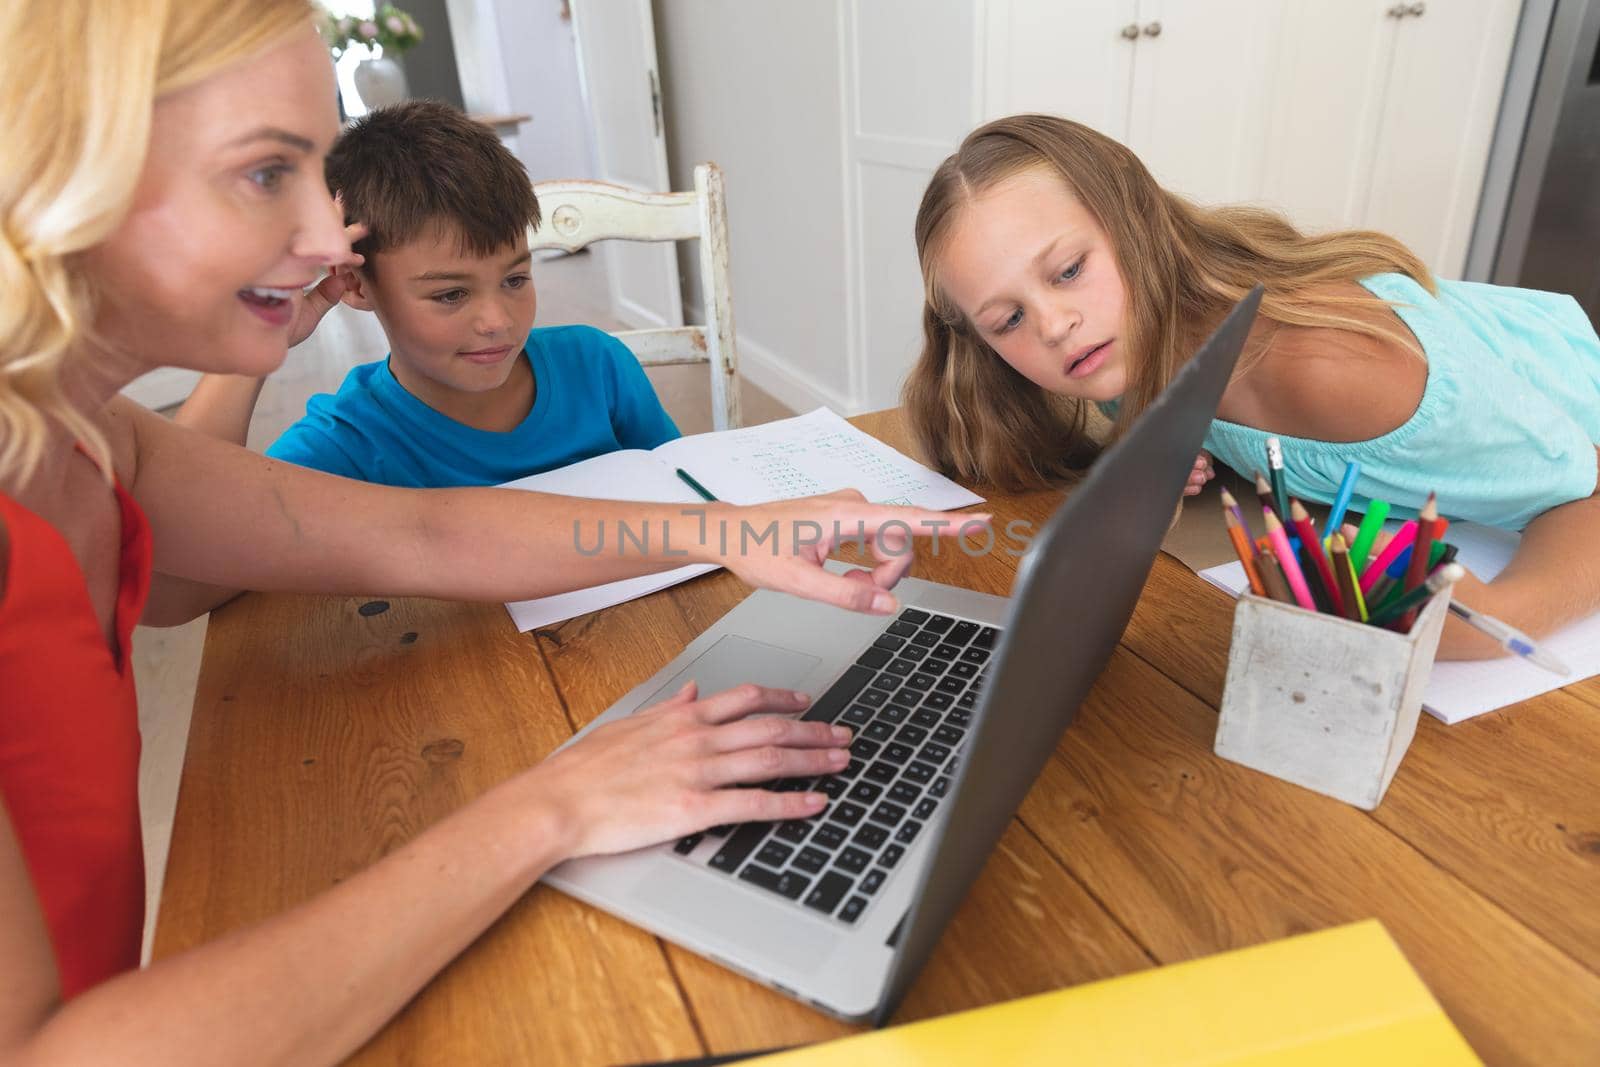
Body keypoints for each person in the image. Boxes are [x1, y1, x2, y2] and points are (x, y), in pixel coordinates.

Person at [0, 3, 983, 1058]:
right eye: (263, 172)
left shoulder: (99, 442)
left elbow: (425, 534)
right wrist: (549, 806)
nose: (334, 240)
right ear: (64, 168)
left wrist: (731, 529)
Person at [902, 113, 1600, 661]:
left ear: (1135, 217)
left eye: (1067, 270)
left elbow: (1588, 486)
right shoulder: (1118, 347)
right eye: (1009, 319)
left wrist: (1493, 623)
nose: (1054, 325)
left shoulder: (1328, 366)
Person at [180, 100, 681, 486]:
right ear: (355, 283)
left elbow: (688, 489)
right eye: (450, 295)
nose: (497, 321)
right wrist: (249, 341)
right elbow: (190, 544)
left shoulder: (598, 366)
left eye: (514, 280)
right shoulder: (348, 443)